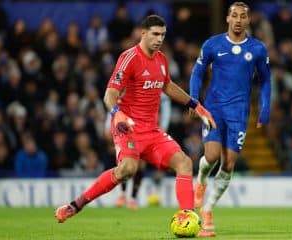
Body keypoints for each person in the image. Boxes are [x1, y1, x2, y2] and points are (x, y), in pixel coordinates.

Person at [55, 15, 216, 237]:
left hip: (152, 131)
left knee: (185, 163)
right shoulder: (129, 58)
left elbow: (167, 86)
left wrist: (195, 105)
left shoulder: (161, 59)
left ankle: (186, 218)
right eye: (155, 34)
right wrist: (117, 113)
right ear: (143, 33)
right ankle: (75, 205)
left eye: (163, 35)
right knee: (128, 169)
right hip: (127, 127)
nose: (159, 39)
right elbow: (109, 95)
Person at [190, 2, 271, 233]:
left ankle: (207, 210)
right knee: (212, 156)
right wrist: (194, 100)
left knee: (228, 164)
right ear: (227, 18)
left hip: (239, 113)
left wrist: (265, 110)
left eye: (242, 16)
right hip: (214, 108)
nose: (238, 20)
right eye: (234, 15)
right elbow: (197, 71)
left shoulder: (257, 49)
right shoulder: (213, 44)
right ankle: (201, 181)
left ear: (248, 20)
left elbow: (265, 81)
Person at [114, 92, 171, 210]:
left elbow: (166, 109)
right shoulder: (128, 88)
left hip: (148, 129)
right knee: (125, 163)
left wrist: (163, 126)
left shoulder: (159, 90)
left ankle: (133, 198)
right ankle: (123, 194)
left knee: (140, 164)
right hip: (127, 127)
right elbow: (113, 104)